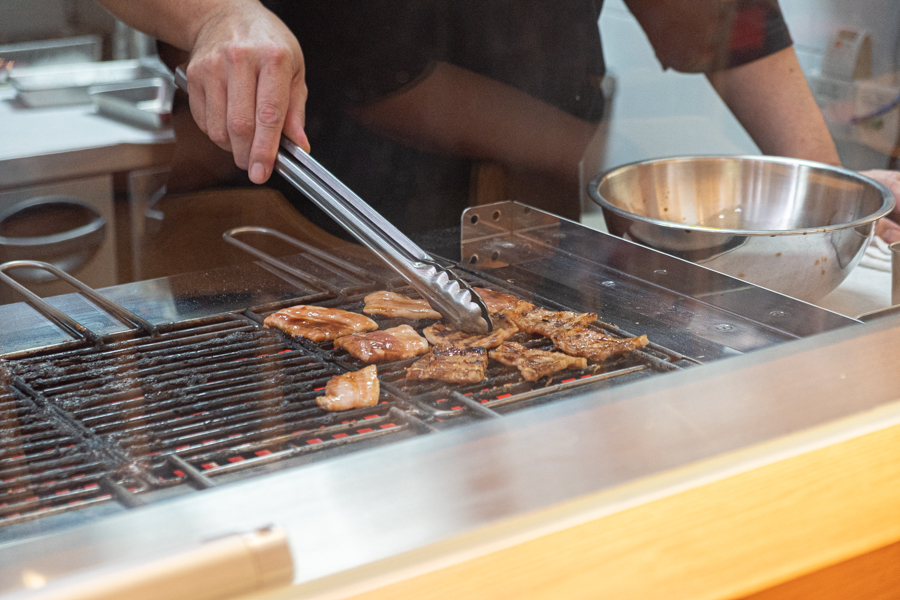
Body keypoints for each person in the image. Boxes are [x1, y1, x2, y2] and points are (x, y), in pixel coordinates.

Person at [97, 0, 900, 242]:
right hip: (298, 212)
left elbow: (723, 20)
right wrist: (214, 13)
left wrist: (830, 197)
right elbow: (382, 77)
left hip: (535, 216)